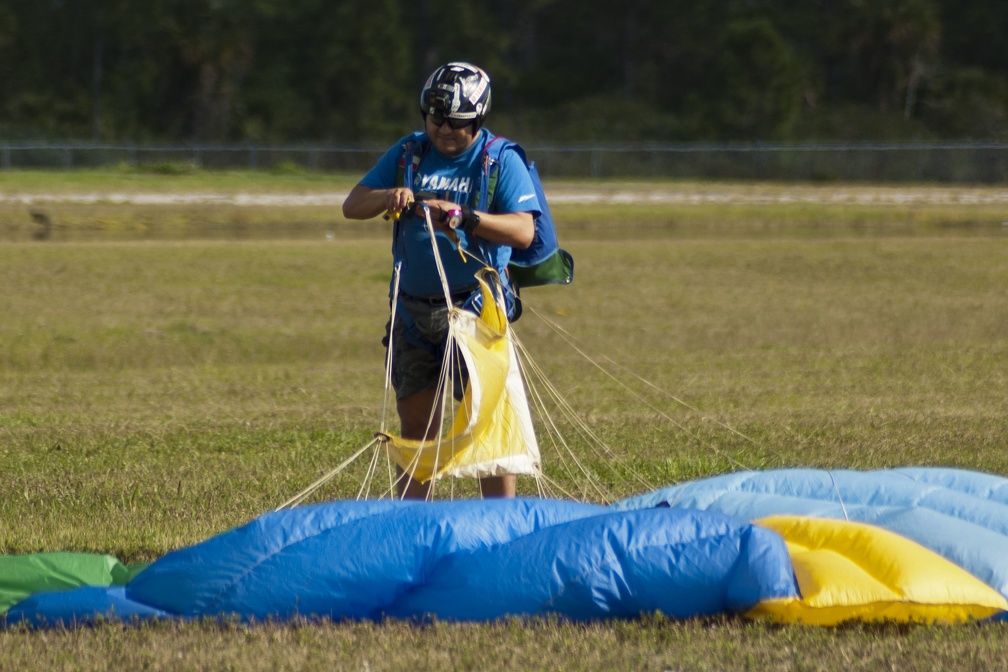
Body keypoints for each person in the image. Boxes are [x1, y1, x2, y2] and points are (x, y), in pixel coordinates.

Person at [342, 62, 540, 500]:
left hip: (476, 311)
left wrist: (467, 217)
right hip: (413, 311)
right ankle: (412, 531)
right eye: (437, 120)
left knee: (488, 426)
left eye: (458, 123)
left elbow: (524, 230)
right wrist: (386, 197)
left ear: (479, 120)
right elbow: (352, 205)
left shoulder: (498, 160)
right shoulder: (408, 152)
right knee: (416, 427)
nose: (446, 130)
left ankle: (501, 525)